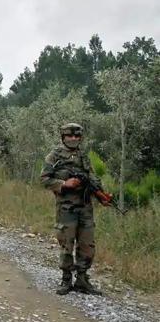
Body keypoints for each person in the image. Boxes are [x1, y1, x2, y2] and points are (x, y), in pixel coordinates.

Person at [40, 123, 109, 296]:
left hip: (85, 207)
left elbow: (92, 179)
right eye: (70, 136)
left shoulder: (84, 156)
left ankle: (82, 279)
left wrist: (101, 195)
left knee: (87, 244)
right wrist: (64, 184)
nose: (73, 139)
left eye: (77, 136)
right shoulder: (54, 156)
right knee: (66, 243)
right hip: (66, 209)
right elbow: (44, 179)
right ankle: (66, 279)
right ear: (63, 137)